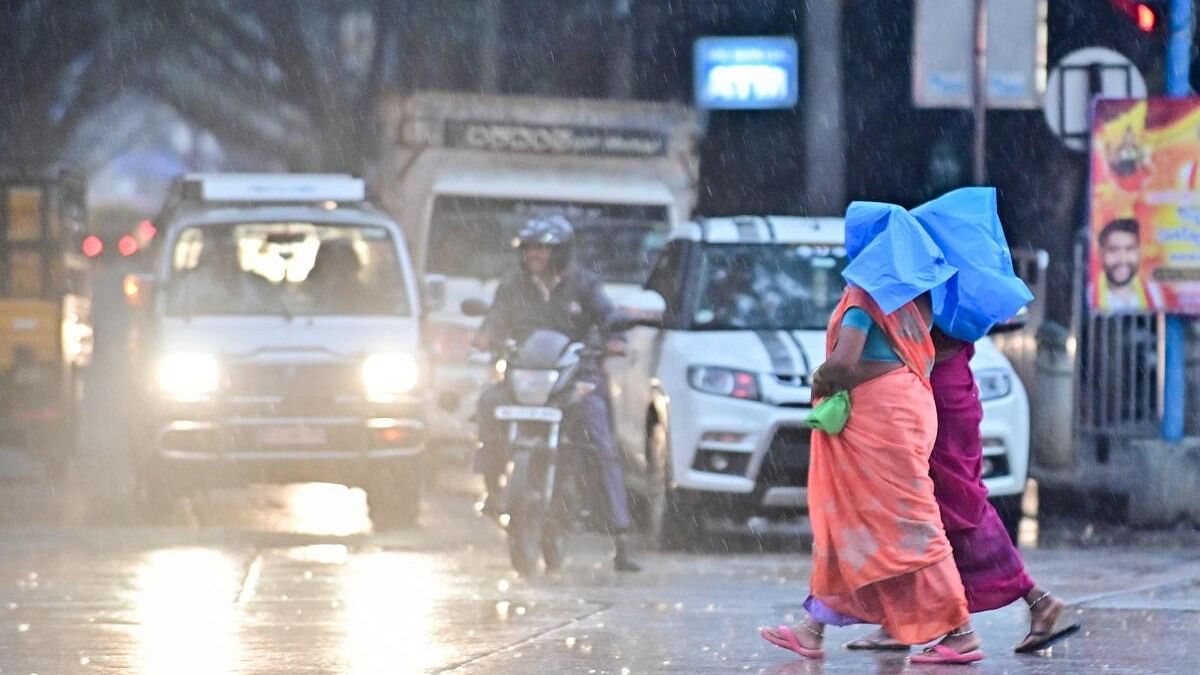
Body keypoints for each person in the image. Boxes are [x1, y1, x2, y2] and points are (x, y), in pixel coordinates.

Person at [760, 202, 982, 666]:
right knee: (857, 522)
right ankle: (812, 628)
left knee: (908, 523)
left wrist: (819, 381)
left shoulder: (864, 294)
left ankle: (960, 632)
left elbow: (843, 364)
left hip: (879, 417)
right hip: (911, 407)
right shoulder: (916, 294)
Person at [472, 215, 641, 573]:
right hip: (523, 379)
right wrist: (486, 334)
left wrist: (614, 340)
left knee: (599, 437)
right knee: (487, 403)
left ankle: (621, 537)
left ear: (561, 252)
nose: (534, 254)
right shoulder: (513, 285)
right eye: (530, 248)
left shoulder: (584, 284)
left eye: (543, 248)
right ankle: (492, 489)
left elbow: (610, 317)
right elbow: (495, 318)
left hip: (575, 377)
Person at [1089, 217, 1167, 312]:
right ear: (1101, 254)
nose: (1122, 259)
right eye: (1113, 250)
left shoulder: (1153, 293)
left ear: (1138, 252)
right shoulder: (1088, 295)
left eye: (1129, 249)